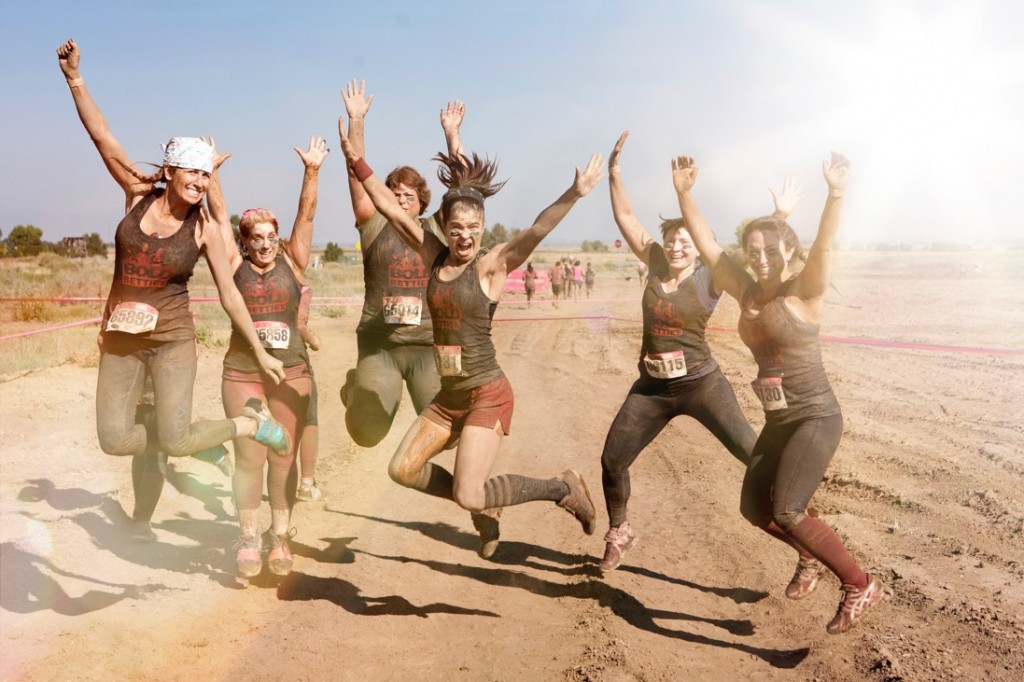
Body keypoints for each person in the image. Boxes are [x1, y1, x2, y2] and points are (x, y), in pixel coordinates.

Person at [338, 118, 606, 559]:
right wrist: (357, 162)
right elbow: (387, 206)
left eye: (473, 228)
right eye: (457, 227)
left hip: (486, 392)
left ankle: (561, 488)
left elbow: (537, 230)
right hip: (450, 396)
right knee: (401, 470)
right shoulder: (431, 251)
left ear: (483, 227)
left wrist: (573, 193)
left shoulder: (492, 265)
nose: (464, 236)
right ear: (445, 223)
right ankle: (487, 501)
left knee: (469, 494)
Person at [56, 40, 288, 543]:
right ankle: (188, 436)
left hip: (173, 339)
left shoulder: (204, 229)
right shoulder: (137, 195)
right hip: (121, 339)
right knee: (114, 439)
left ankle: (247, 427)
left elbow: (231, 296)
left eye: (207, 174)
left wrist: (261, 351)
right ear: (169, 171)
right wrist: (74, 78)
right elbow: (101, 136)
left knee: (177, 439)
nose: (201, 181)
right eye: (193, 171)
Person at [672, 149, 888, 634]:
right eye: (755, 251)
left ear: (789, 253)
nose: (763, 258)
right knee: (754, 510)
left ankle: (859, 583)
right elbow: (706, 243)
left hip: (815, 417)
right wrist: (685, 194)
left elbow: (825, 247)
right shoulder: (746, 288)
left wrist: (835, 194)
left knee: (788, 509)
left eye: (772, 251)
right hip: (779, 421)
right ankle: (808, 557)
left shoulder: (804, 290)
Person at [598, 130, 798, 572]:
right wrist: (614, 173)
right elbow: (627, 218)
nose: (676, 245)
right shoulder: (654, 263)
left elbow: (752, 259)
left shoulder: (709, 277)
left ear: (696, 247)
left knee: (752, 453)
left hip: (701, 385)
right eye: (672, 239)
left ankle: (805, 543)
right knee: (613, 459)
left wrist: (778, 214)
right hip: (651, 389)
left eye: (686, 241)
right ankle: (620, 531)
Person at [209, 136, 329, 578]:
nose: (264, 245)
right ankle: (246, 537)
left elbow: (308, 214)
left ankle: (280, 537)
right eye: (255, 238)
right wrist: (212, 174)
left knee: (283, 457)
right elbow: (219, 216)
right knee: (249, 457)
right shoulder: (233, 264)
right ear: (244, 242)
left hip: (291, 372)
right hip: (242, 372)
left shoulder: (293, 263)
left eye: (270, 237)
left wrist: (312, 171)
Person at [338, 80, 465, 448]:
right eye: (393, 194)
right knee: (366, 433)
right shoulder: (374, 223)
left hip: (428, 344)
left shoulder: (438, 229)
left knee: (450, 436)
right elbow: (357, 177)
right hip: (382, 344)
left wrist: (453, 136)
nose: (401, 200)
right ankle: (355, 387)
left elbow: (460, 188)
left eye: (408, 196)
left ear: (421, 203)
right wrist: (356, 120)